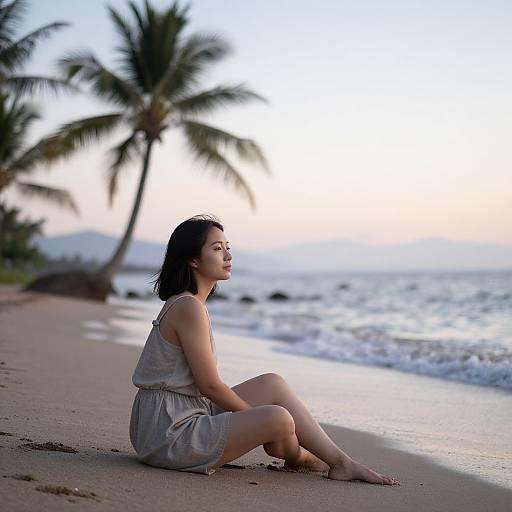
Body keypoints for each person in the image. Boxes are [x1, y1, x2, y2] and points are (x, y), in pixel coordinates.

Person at [129, 214, 400, 485]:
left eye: (227, 247)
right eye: (217, 248)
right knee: (279, 419)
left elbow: (205, 389)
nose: (227, 255)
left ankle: (333, 461)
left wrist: (256, 421)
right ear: (193, 260)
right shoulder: (189, 307)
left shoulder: (189, 303)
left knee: (273, 384)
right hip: (170, 435)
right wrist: (254, 418)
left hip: (175, 416)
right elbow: (209, 386)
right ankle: (299, 453)